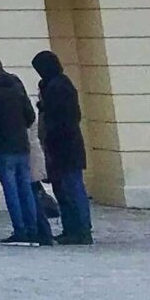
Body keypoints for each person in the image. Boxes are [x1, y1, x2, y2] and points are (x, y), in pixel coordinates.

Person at [0, 53, 48, 244]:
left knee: (11, 190)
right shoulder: (16, 82)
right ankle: (33, 229)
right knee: (26, 188)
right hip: (21, 143)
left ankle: (20, 230)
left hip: (2, 145)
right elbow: (29, 115)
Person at [32, 49, 94, 244]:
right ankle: (73, 229)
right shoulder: (57, 84)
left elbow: (60, 118)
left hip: (64, 146)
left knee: (72, 189)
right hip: (64, 145)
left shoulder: (57, 87)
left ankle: (81, 230)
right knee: (65, 190)